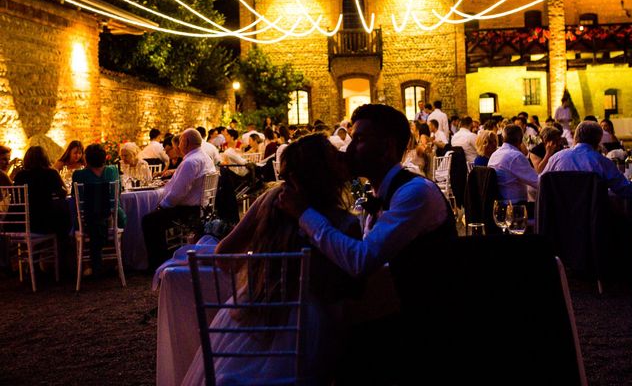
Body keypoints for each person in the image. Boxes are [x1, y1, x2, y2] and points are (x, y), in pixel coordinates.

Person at [277, 103, 456, 384]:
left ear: (386, 147)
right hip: (390, 313)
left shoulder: (416, 192)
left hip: (422, 324)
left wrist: (304, 214)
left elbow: (362, 260)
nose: (349, 149)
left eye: (359, 139)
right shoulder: (382, 193)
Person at [182, 133, 362, 385]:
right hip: (311, 323)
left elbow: (223, 256)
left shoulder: (268, 201)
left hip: (258, 308)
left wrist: (262, 264)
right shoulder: (345, 222)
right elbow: (344, 289)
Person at [142, 128, 215, 270]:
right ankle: (165, 256)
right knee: (154, 218)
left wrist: (162, 206)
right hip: (202, 208)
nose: (178, 146)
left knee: (149, 220)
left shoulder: (190, 161)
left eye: (180, 142)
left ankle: (158, 262)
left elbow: (177, 193)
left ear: (186, 142)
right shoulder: (205, 157)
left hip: (189, 211)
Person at [542, 121, 632, 199]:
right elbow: (625, 189)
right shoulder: (603, 162)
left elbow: (541, 182)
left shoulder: (556, 158)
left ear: (575, 138)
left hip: (560, 218)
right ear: (598, 141)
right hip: (592, 219)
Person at [72, 143, 127, 275]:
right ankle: (116, 261)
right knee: (115, 216)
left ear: (87, 158)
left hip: (87, 220)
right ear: (104, 157)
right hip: (113, 217)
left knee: (84, 218)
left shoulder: (79, 175)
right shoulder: (113, 170)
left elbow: (74, 197)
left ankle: (88, 265)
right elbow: (118, 193)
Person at [12, 146, 69, 236]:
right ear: (45, 158)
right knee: (64, 208)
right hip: (44, 224)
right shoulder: (51, 173)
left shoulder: (20, 175)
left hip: (20, 224)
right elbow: (63, 193)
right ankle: (64, 245)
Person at [487, 124, 538, 203]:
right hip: (514, 205)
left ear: (502, 138)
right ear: (520, 140)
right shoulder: (515, 156)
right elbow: (537, 182)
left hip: (498, 203)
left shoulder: (495, 154)